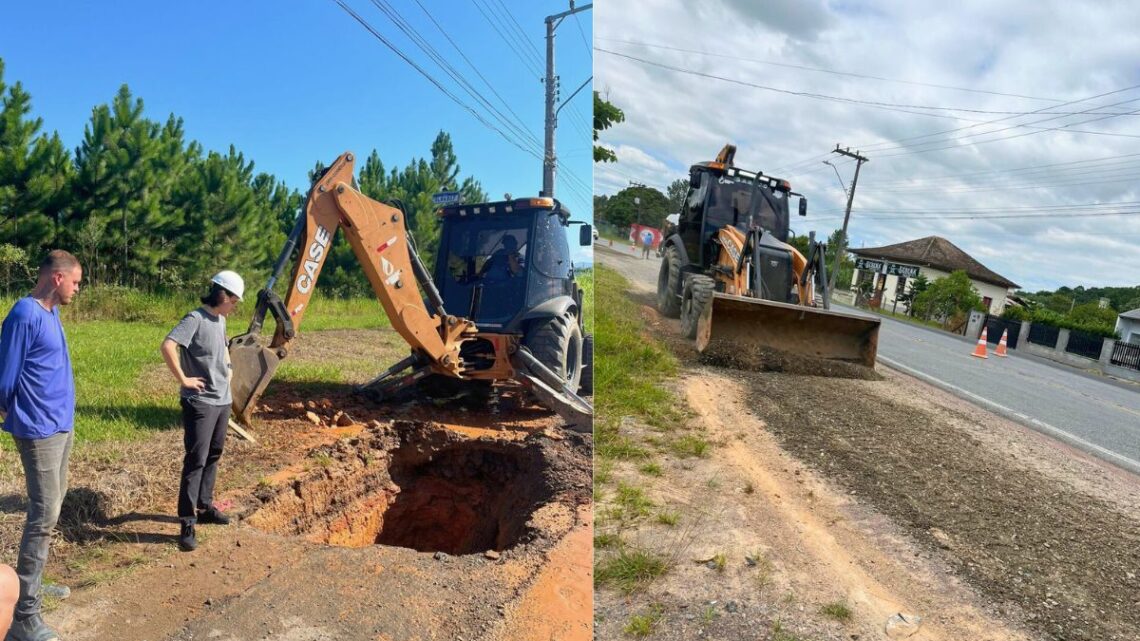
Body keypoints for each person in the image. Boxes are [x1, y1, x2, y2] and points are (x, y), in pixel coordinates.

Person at [0, 249, 82, 641]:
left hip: (60, 425)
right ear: (57, 278)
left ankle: (29, 584)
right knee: (43, 514)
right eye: (75, 282)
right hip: (38, 430)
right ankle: (23, 616)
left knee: (52, 508)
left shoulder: (51, 312)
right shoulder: (25, 313)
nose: (77, 289)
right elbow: (5, 375)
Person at [160, 270, 244, 552]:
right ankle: (187, 521)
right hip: (201, 402)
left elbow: (223, 347)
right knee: (196, 459)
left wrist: (229, 368)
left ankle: (205, 506)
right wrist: (183, 379)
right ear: (223, 295)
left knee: (214, 454)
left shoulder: (220, 320)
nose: (235, 307)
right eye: (234, 301)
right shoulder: (194, 319)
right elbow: (168, 346)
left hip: (222, 400)